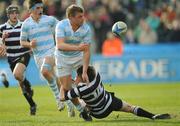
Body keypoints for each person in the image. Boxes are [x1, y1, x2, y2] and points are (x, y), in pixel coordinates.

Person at [20, 0, 74, 115]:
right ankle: (69, 104)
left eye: (41, 7)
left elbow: (62, 27)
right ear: (30, 10)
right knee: (56, 79)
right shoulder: (26, 24)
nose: (40, 10)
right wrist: (29, 44)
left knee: (45, 71)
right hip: (38, 56)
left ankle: (58, 98)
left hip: (52, 51)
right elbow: (22, 41)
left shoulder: (49, 20)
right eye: (37, 8)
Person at [61, 65, 171, 120]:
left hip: (98, 113)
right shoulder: (97, 76)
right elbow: (86, 75)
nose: (76, 77)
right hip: (109, 101)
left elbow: (63, 97)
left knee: (79, 99)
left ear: (83, 77)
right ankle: (152, 116)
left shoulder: (80, 90)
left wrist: (63, 84)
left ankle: (85, 111)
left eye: (78, 76)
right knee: (130, 108)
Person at [55, 4, 92, 121]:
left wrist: (85, 71)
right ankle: (81, 110)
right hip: (62, 58)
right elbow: (60, 45)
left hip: (78, 58)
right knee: (67, 90)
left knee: (86, 80)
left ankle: (87, 104)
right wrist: (78, 48)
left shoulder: (86, 28)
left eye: (83, 16)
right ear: (71, 17)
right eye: (80, 16)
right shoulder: (61, 25)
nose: (83, 18)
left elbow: (86, 51)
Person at [0, 4, 36, 115]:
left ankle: (28, 86)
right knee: (21, 84)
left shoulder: (24, 26)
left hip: (23, 54)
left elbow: (30, 39)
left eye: (16, 13)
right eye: (12, 13)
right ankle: (32, 105)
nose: (14, 15)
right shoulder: (2, 28)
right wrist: (3, 39)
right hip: (11, 58)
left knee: (17, 74)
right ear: (8, 15)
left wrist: (31, 44)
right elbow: (0, 44)